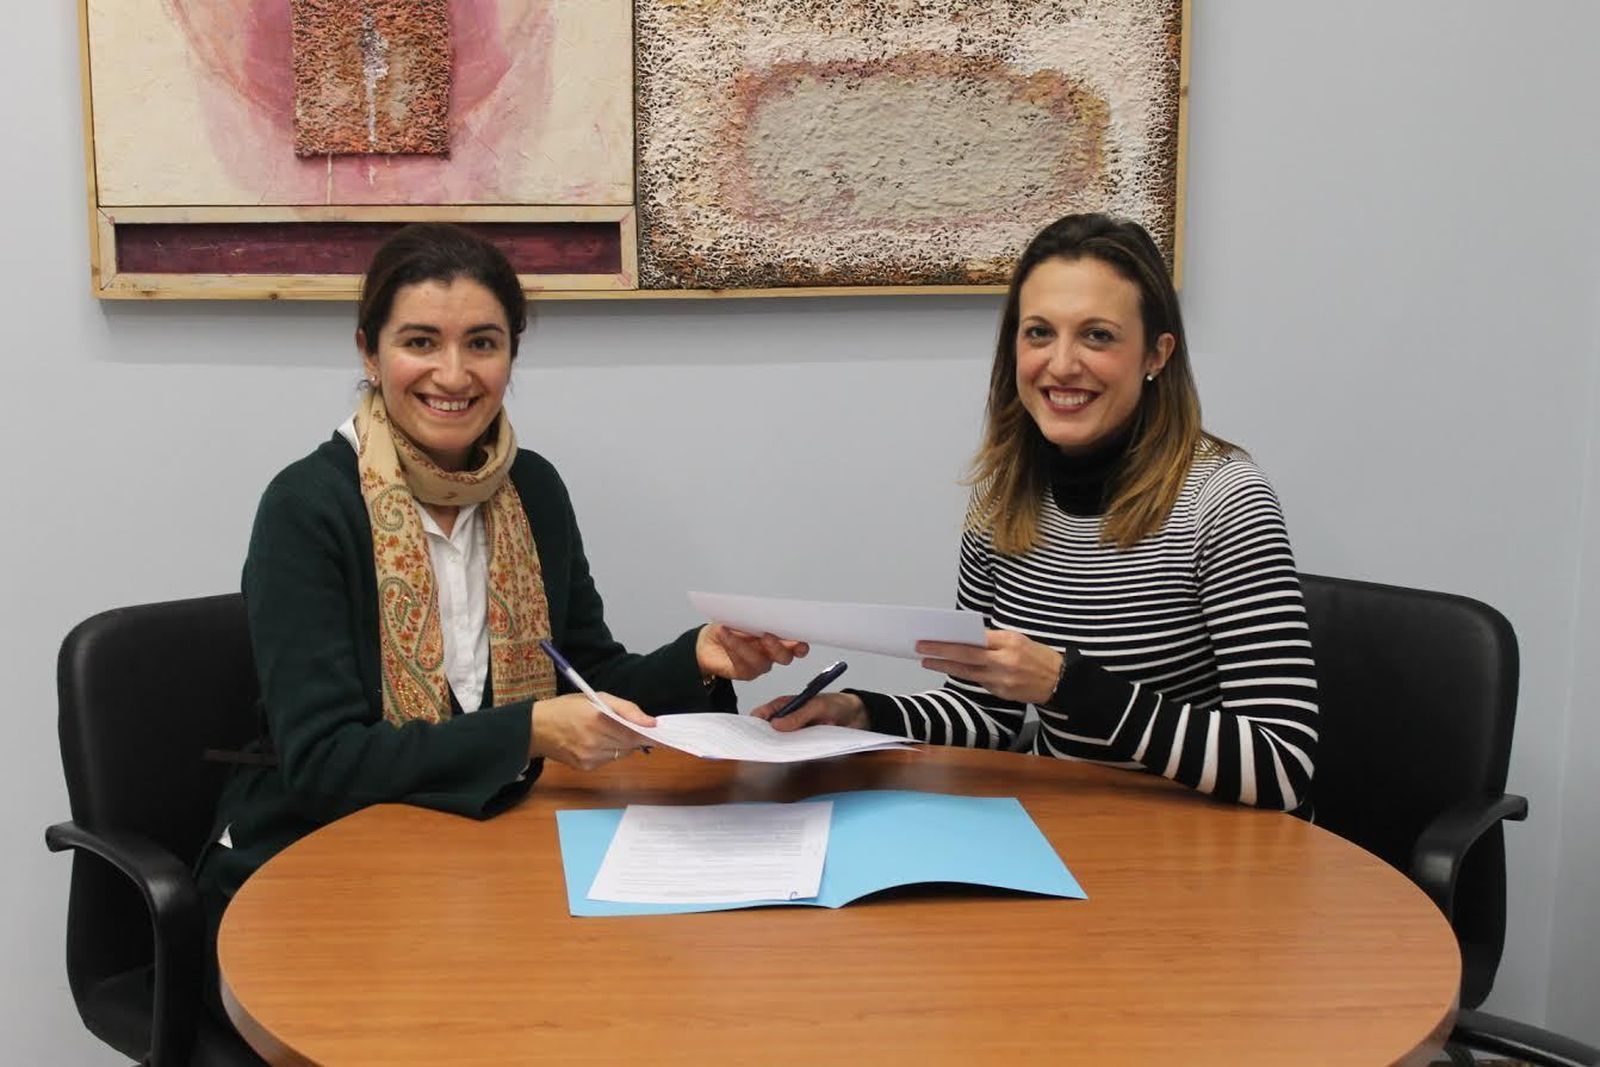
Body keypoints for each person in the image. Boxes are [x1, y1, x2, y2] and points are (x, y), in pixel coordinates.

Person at [195, 222, 804, 1004]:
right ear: (368, 352)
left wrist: (700, 656)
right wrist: (527, 731)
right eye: (421, 341)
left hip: (480, 844)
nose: (453, 373)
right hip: (317, 856)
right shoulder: (308, 506)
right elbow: (323, 759)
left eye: (482, 343)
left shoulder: (533, 490)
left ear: (510, 355)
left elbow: (583, 676)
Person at [754, 213, 1317, 811]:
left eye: (1098, 335)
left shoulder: (1225, 499)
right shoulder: (1004, 496)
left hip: (1209, 850)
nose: (1062, 363)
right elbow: (986, 714)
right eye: (1039, 333)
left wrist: (1065, 685)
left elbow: (1281, 766)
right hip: (1069, 827)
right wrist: (859, 710)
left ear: (1156, 354)